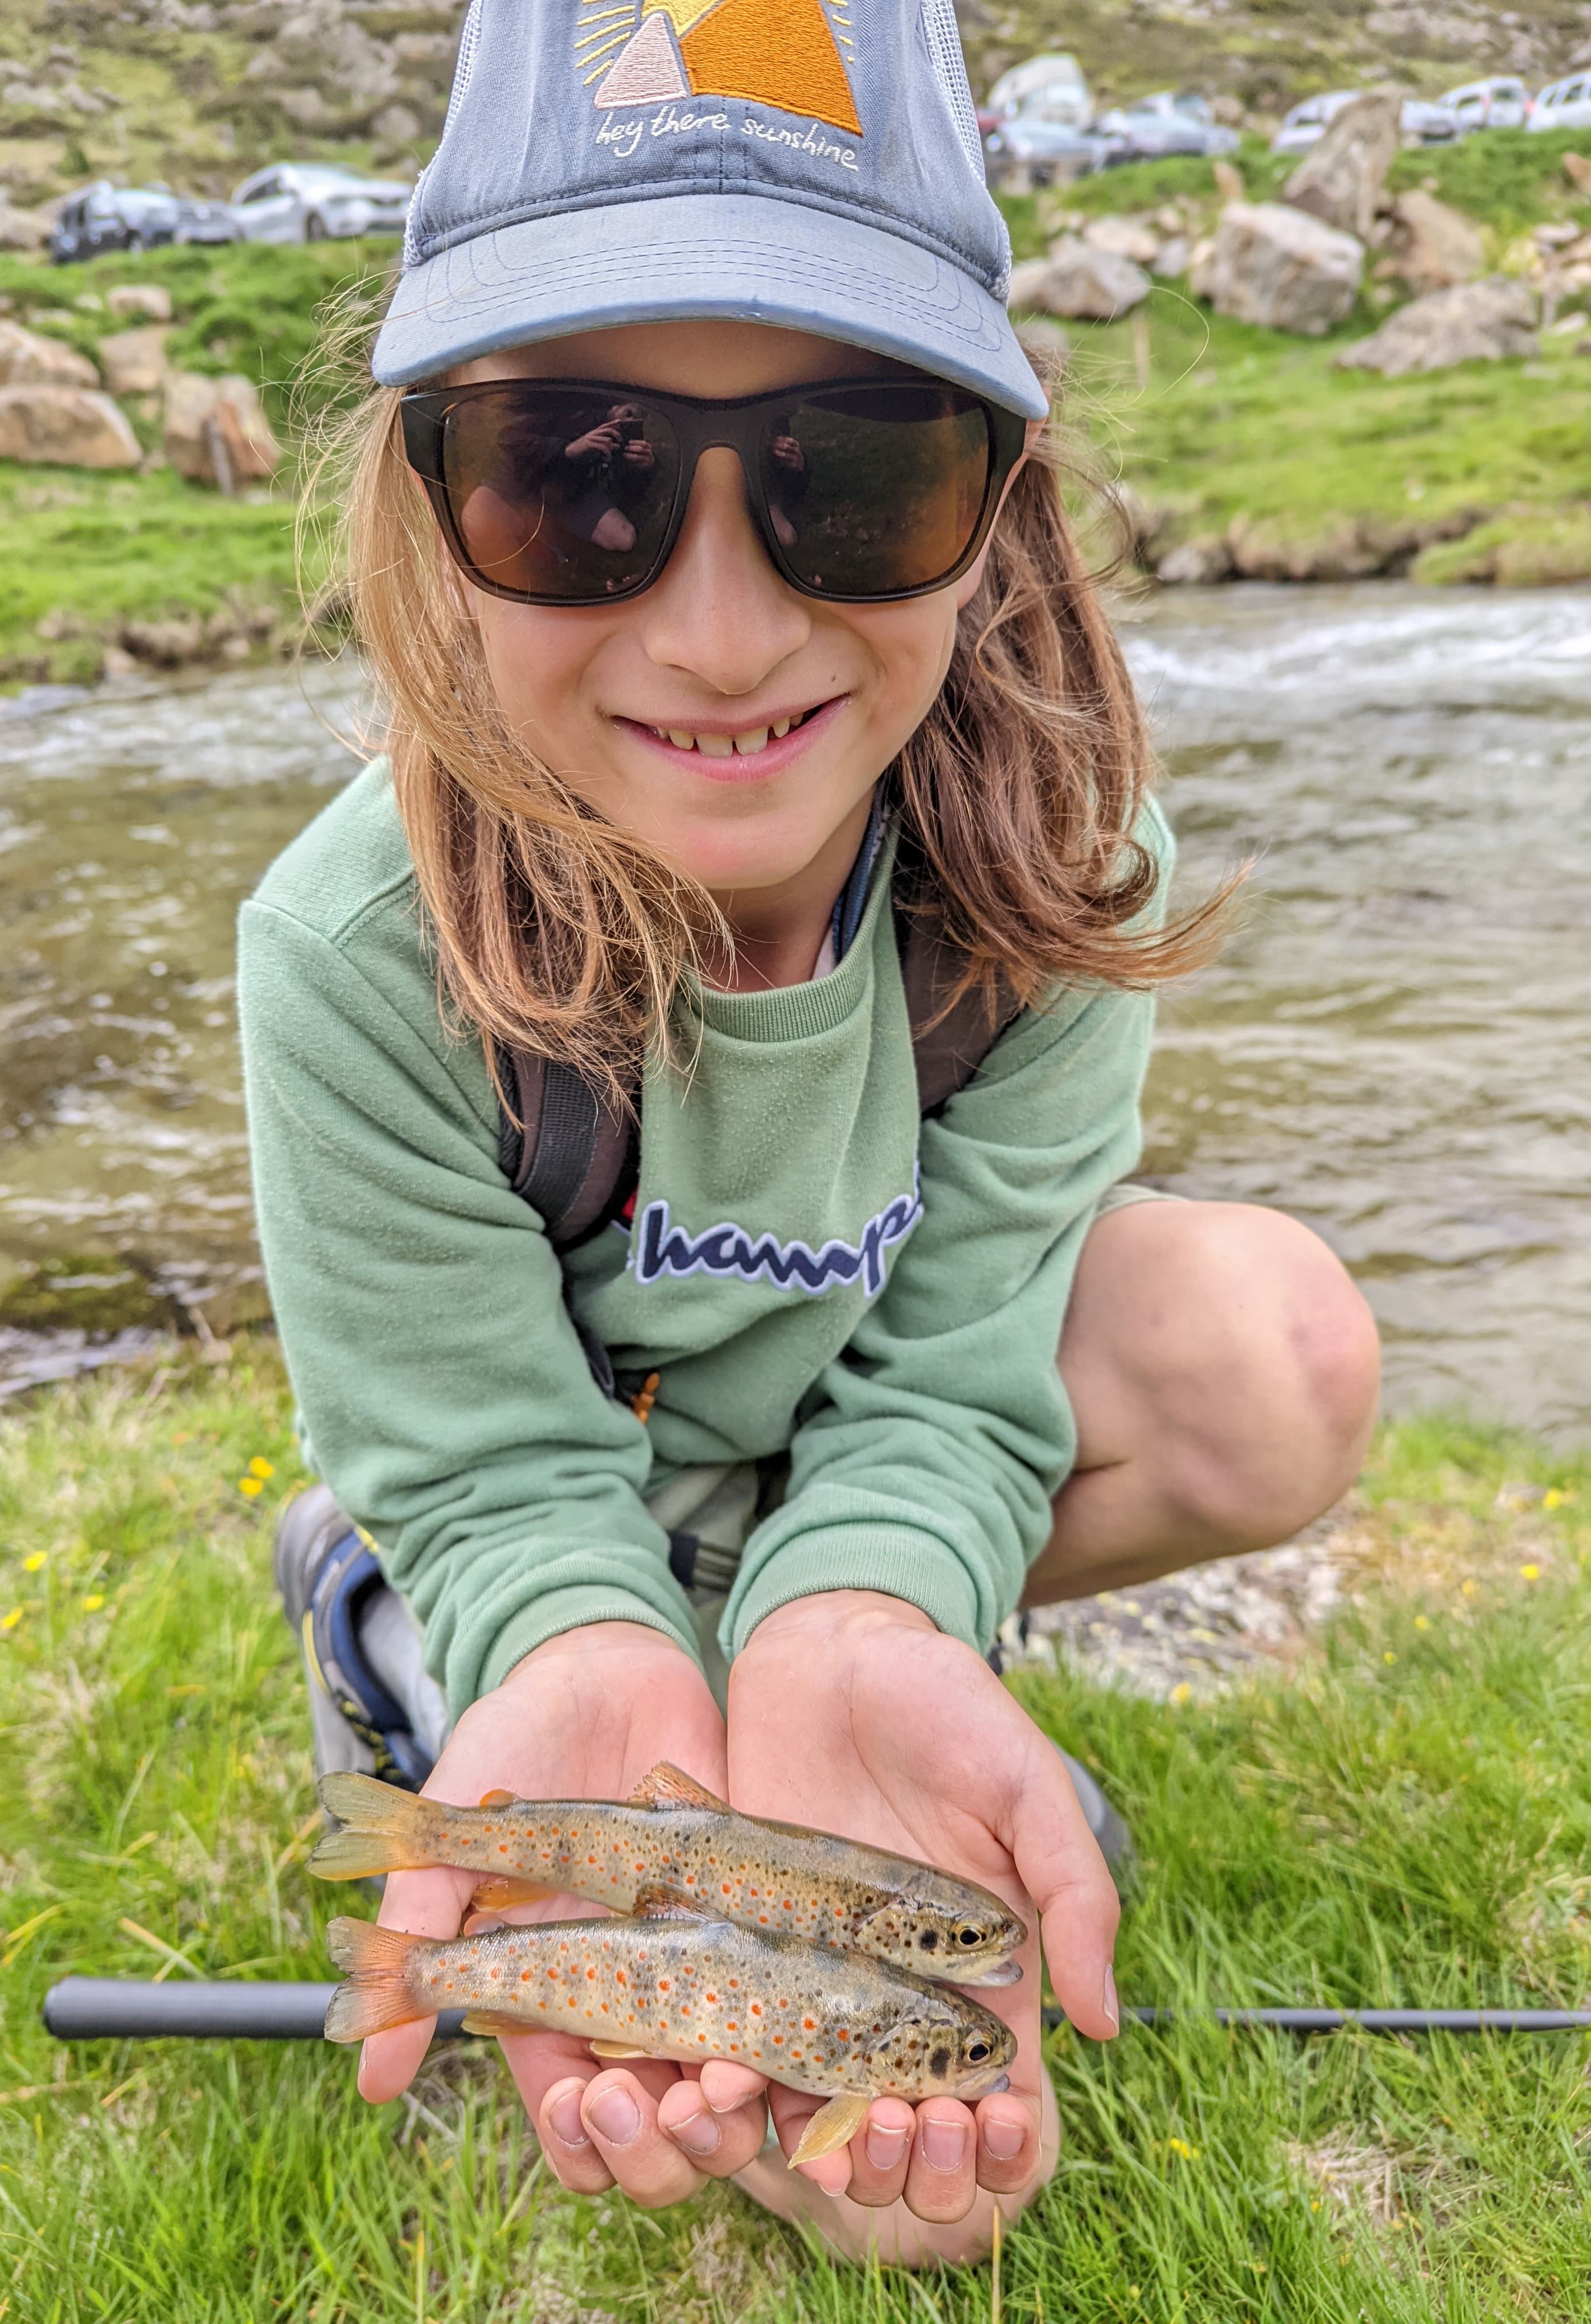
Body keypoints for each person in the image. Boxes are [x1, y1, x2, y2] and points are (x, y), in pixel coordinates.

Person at [240, 0, 1380, 2267]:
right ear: (426, 512)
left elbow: (963, 1382)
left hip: (821, 1457)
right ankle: (425, 1648)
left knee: (1278, 1349)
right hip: (563, 1505)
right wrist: (583, 1634)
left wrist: (864, 1618)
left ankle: (817, 1654)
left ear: (999, 513)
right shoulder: (347, 950)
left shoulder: (1066, 870)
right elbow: (490, 1452)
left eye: (860, 478)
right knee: (899, 2210)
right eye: (575, 478)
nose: (722, 623)